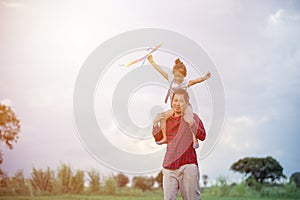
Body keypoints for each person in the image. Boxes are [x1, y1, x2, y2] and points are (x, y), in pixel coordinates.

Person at [152, 88, 206, 200]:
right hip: (169, 166)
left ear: (186, 103)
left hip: (188, 165)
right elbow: (158, 138)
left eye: (181, 101)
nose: (177, 104)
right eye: (175, 100)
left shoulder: (193, 117)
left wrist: (192, 123)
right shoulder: (167, 120)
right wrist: (155, 124)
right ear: (172, 101)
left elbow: (202, 135)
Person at [148, 54, 210, 148]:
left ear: (184, 76)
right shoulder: (170, 79)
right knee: (163, 117)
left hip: (185, 107)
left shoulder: (185, 83)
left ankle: (194, 138)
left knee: (189, 119)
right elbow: (160, 70)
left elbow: (196, 81)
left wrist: (204, 77)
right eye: (176, 76)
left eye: (180, 77)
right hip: (175, 107)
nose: (177, 79)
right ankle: (164, 137)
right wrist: (152, 62)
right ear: (173, 74)